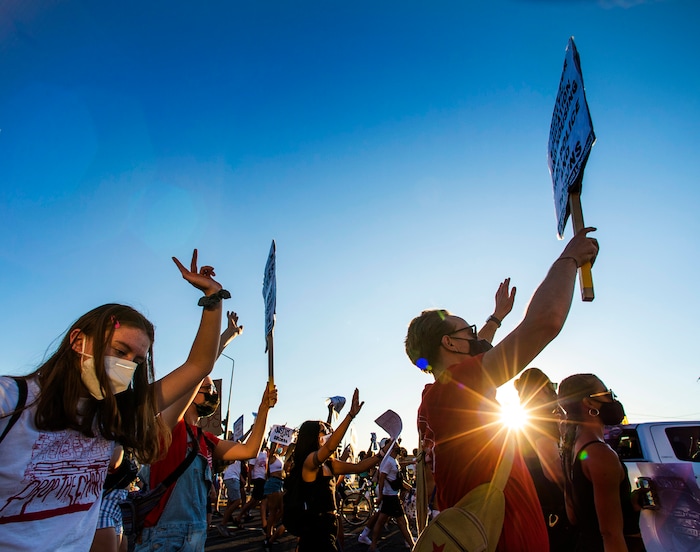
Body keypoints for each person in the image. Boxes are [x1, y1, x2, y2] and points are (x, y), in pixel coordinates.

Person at [0, 249, 228, 551]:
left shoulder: (117, 414)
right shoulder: (12, 401)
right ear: (78, 341)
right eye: (119, 351)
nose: (126, 365)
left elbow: (198, 366)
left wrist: (213, 298)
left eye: (136, 360)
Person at [406, 227, 599, 551]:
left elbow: (479, 352)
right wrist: (569, 258)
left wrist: (496, 317)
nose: (475, 336)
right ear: (449, 342)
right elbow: (545, 322)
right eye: (466, 330)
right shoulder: (454, 392)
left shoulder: (435, 400)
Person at [134, 374, 277, 551]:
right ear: (190, 392)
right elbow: (197, 369)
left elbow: (249, 450)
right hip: (163, 536)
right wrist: (199, 370)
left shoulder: (205, 439)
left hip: (195, 535)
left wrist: (264, 409)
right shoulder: (168, 428)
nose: (214, 394)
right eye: (209, 389)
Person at [289, 389, 390, 552]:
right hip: (314, 531)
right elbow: (330, 447)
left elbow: (359, 467)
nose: (328, 434)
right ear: (312, 437)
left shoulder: (329, 464)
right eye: (323, 432)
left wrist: (382, 453)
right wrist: (350, 415)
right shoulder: (309, 463)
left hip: (329, 526)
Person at [558, 374, 644, 552]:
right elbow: (611, 534)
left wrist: (628, 504)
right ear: (589, 403)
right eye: (608, 394)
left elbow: (574, 514)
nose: (614, 400)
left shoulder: (572, 448)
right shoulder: (600, 454)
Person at [514, 368, 575, 551]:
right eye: (551, 387)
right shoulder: (542, 421)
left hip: (534, 509)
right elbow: (554, 472)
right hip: (552, 512)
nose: (554, 393)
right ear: (541, 390)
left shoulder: (526, 420)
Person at [368, 441, 415, 551]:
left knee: (381, 521)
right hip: (391, 497)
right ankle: (413, 546)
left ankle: (373, 545)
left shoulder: (393, 461)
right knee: (402, 522)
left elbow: (397, 479)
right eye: (396, 444)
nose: (398, 446)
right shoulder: (388, 461)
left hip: (392, 496)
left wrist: (410, 489)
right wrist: (380, 496)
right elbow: (381, 478)